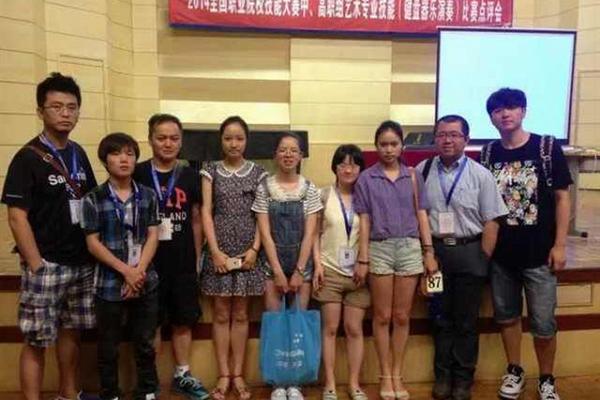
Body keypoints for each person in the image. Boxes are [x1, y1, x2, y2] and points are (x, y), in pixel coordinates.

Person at [1, 72, 97, 400]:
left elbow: (89, 203)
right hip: (46, 265)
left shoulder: (79, 153)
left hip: (81, 264)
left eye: (71, 107)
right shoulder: (27, 157)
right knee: (36, 340)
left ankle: (68, 394)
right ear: (40, 111)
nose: (65, 113)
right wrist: (36, 264)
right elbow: (16, 216)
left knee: (71, 333)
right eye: (56, 107)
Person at [481, 88, 572, 400]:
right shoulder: (488, 153)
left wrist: (560, 245)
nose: (505, 114)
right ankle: (515, 370)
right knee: (507, 317)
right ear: (491, 117)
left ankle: (546, 378)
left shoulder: (546, 147)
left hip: (539, 254)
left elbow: (562, 198)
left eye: (511, 107)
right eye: (498, 110)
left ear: (523, 111)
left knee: (543, 324)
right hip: (502, 256)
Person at [416, 115, 508, 400]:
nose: (447, 140)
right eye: (442, 134)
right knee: (440, 318)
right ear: (435, 138)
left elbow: (492, 220)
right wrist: (426, 254)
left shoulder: (480, 175)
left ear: (466, 139)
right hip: (436, 256)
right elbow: (417, 215)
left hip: (470, 252)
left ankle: (463, 379)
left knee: (466, 321)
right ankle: (443, 377)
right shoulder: (422, 170)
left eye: (454, 135)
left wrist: (483, 258)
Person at [353, 120, 438, 400]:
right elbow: (364, 220)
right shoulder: (366, 178)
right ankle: (385, 375)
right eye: (383, 144)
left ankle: (398, 373)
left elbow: (422, 215)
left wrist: (429, 252)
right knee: (382, 316)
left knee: (402, 316)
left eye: (394, 144)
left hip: (410, 248)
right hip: (379, 248)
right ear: (376, 146)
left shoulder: (413, 176)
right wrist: (363, 257)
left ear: (402, 146)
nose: (388, 149)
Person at [133, 114, 209, 400]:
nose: (168, 143)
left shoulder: (190, 175)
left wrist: (196, 258)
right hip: (147, 262)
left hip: (182, 262)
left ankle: (182, 375)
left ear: (181, 141)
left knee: (182, 320)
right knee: (150, 324)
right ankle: (149, 383)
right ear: (150, 139)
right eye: (161, 137)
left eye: (174, 138)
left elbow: (197, 218)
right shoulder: (138, 173)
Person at [81, 133, 160, 400]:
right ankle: (110, 393)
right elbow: (93, 243)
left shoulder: (148, 195)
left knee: (145, 344)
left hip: (145, 280)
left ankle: (147, 392)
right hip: (108, 283)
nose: (124, 159)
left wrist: (138, 272)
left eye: (129, 153)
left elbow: (153, 235)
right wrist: (127, 272)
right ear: (105, 160)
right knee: (108, 347)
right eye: (116, 154)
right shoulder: (93, 198)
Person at [199, 116, 267, 400]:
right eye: (228, 138)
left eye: (239, 138)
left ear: (246, 141)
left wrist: (254, 250)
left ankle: (238, 374)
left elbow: (262, 214)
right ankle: (223, 375)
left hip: (248, 253)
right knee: (220, 314)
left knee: (241, 314)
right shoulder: (210, 170)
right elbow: (206, 211)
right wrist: (214, 251)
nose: (233, 143)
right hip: (219, 251)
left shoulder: (259, 173)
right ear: (221, 140)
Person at [252, 132, 322, 400]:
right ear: (275, 155)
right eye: (283, 150)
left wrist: (300, 271)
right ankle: (277, 383)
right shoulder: (265, 188)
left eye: (294, 150)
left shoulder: (310, 188)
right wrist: (279, 272)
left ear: (301, 156)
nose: (288, 154)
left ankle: (296, 383)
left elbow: (310, 233)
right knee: (276, 325)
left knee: (297, 326)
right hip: (272, 266)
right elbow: (265, 234)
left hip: (302, 266)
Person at [312, 144, 370, 400]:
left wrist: (364, 262)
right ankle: (330, 384)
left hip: (359, 274)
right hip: (330, 272)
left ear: (360, 169)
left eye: (354, 164)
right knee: (330, 329)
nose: (348, 169)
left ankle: (354, 384)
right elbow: (314, 234)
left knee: (354, 329)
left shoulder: (365, 197)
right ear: (335, 167)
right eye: (343, 164)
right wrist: (317, 265)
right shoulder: (323, 195)